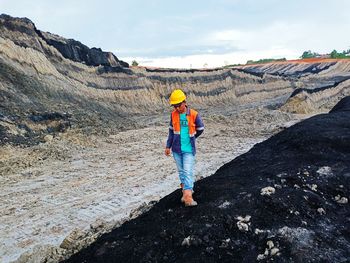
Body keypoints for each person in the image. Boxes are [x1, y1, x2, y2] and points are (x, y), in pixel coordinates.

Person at [165, 89, 204, 207]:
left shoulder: (193, 114)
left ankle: (188, 197)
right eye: (174, 106)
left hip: (188, 150)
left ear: (184, 102)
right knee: (182, 172)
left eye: (178, 105)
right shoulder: (173, 115)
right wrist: (168, 146)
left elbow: (201, 128)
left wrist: (192, 137)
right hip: (177, 150)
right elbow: (171, 132)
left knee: (187, 171)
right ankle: (186, 191)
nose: (177, 108)